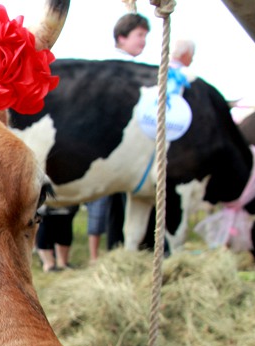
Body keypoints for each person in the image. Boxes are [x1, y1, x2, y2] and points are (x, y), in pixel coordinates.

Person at [104, 12, 152, 251]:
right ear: (122, 37)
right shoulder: (117, 69)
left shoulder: (133, 68)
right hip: (117, 147)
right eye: (139, 35)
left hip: (128, 149)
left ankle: (124, 249)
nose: (143, 40)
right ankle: (120, 248)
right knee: (119, 201)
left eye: (145, 36)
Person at [35, 205, 79, 272]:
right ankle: (49, 265)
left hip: (67, 205)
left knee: (65, 225)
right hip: (46, 207)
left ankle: (63, 263)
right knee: (46, 225)